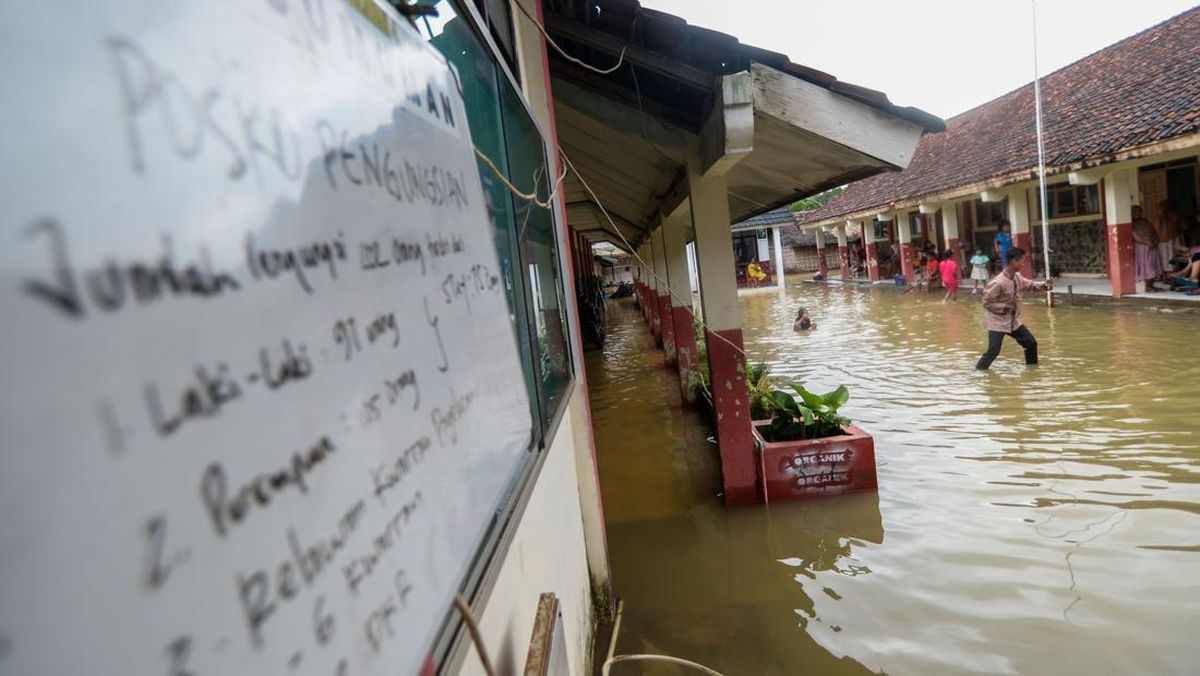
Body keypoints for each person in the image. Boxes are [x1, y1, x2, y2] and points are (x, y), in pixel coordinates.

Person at [975, 248, 1054, 370]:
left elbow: (1030, 285)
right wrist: (1007, 307)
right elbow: (986, 303)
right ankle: (978, 373)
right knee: (993, 351)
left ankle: (1032, 371)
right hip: (997, 322)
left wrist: (1045, 285)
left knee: (1031, 343)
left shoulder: (1017, 277)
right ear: (1013, 262)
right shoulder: (998, 282)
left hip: (1013, 321)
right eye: (1022, 261)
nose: (1023, 264)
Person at [1132, 205, 1160, 290]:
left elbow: (1153, 231)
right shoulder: (1131, 223)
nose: (1137, 213)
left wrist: (1155, 240)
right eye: (1135, 211)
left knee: (1154, 264)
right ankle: (1147, 286)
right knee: (1147, 265)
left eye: (1139, 211)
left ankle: (1151, 285)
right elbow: (1135, 236)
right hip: (1142, 247)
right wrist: (1147, 242)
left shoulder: (1145, 221)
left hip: (1152, 245)